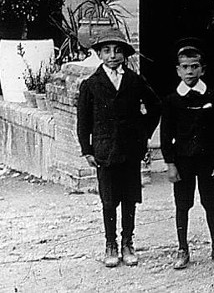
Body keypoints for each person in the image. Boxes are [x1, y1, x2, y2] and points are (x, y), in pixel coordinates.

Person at [76, 28, 161, 268]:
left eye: (117, 50)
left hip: (131, 149)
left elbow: (155, 106)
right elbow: (83, 121)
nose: (112, 55)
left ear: (124, 54)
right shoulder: (91, 84)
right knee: (109, 200)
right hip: (105, 150)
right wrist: (87, 149)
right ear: (99, 54)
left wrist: (143, 134)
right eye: (106, 50)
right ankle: (110, 244)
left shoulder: (134, 80)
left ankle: (127, 242)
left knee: (129, 198)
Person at [160, 40, 214, 270]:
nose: (190, 71)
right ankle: (183, 249)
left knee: (211, 203)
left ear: (202, 69)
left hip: (208, 161)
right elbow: (165, 136)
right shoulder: (171, 101)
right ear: (178, 70)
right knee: (183, 205)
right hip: (183, 162)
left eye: (194, 66)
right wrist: (171, 164)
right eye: (185, 67)